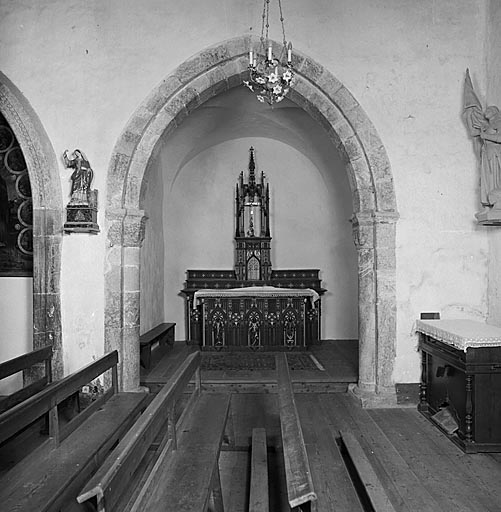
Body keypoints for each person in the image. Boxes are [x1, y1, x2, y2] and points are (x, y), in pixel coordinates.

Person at [463, 70, 501, 209]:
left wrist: (485, 136)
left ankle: (497, 199)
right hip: (489, 154)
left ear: (495, 112)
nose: (486, 113)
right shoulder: (490, 124)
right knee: (490, 178)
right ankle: (494, 199)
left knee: (495, 178)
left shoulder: (498, 122)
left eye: (489, 111)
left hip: (496, 154)